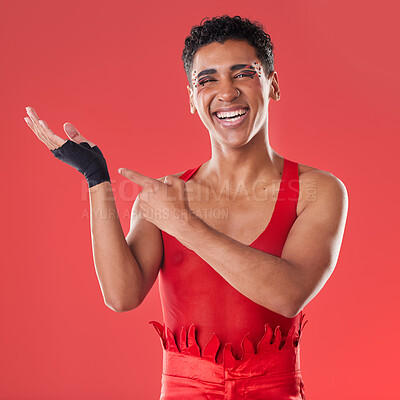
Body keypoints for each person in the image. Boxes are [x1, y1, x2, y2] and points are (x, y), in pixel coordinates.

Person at [24, 15, 348, 400]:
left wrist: (184, 224)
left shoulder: (317, 191)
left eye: (243, 73)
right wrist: (96, 179)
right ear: (192, 98)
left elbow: (288, 294)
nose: (226, 93)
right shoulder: (160, 197)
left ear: (273, 84)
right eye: (207, 80)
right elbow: (122, 295)